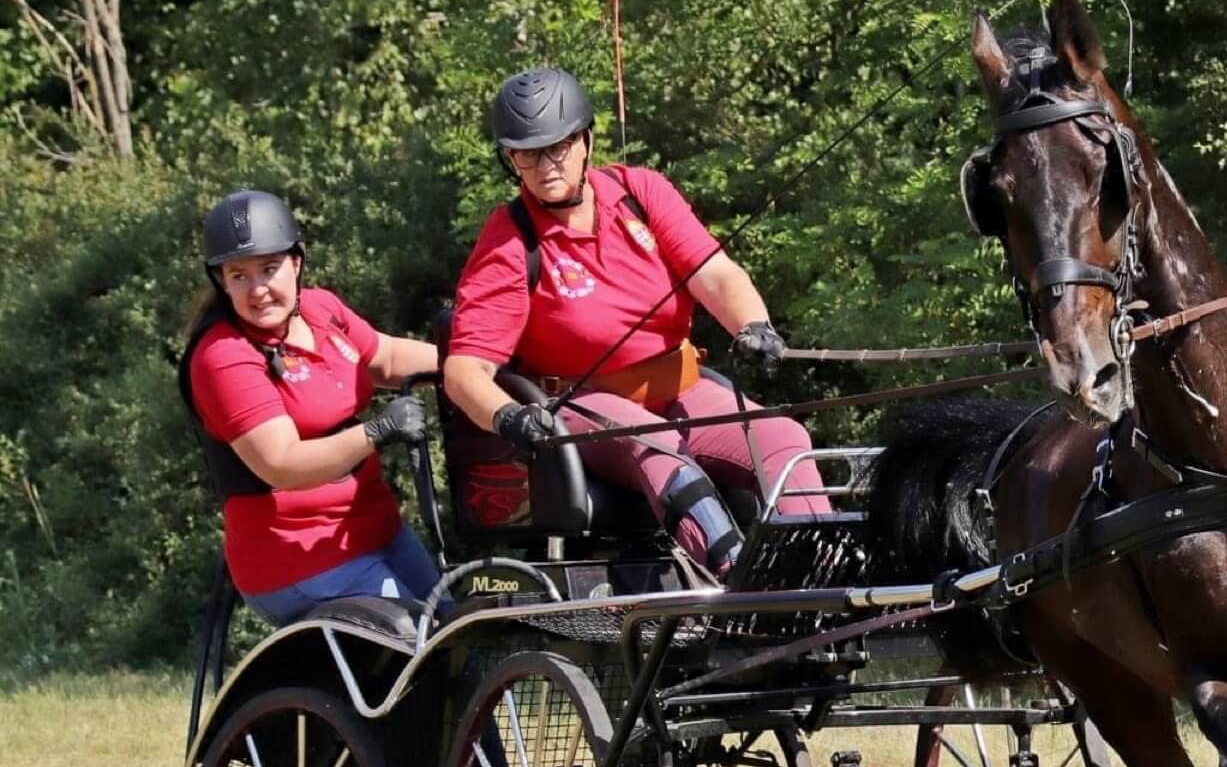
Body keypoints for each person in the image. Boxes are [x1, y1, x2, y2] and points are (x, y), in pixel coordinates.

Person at [443, 67, 828, 578]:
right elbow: (465, 371)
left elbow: (713, 274)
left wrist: (753, 325)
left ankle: (821, 571)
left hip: (681, 387)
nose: (544, 164)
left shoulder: (640, 193)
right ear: (510, 158)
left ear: (585, 140)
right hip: (581, 405)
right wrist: (507, 416)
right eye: (526, 153)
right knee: (657, 444)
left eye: (557, 146)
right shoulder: (510, 241)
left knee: (781, 436)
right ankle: (740, 581)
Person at [183, 189, 443, 624]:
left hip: (376, 530)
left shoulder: (323, 310)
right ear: (221, 281)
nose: (258, 290)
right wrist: (377, 431)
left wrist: (475, 364)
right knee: (420, 642)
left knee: (456, 628)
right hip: (297, 559)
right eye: (239, 276)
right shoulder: (224, 357)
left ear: (296, 263)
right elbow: (282, 464)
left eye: (269, 269)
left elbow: (388, 358)